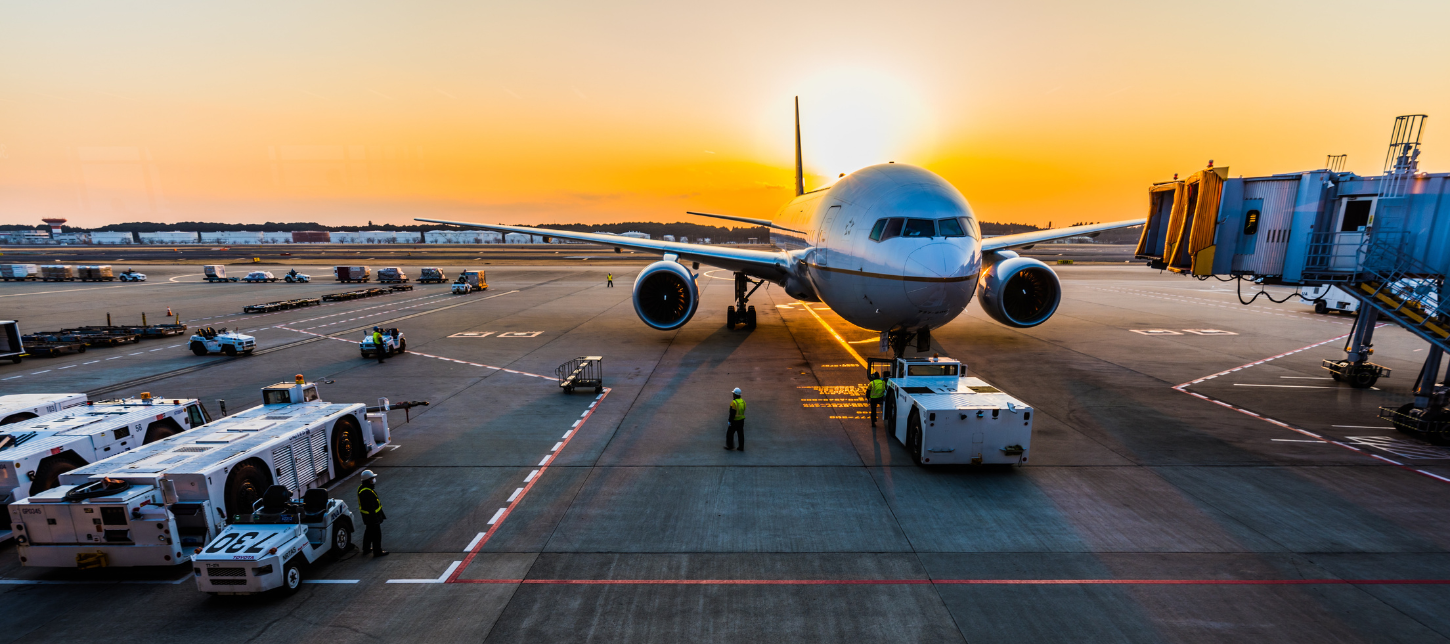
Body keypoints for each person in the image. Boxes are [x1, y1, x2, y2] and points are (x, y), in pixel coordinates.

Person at [357, 470, 387, 556]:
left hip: (366, 516)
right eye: (372, 478)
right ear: (368, 480)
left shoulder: (362, 488)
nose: (374, 480)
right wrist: (375, 519)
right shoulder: (367, 492)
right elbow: (371, 507)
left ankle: (366, 548)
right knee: (376, 535)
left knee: (369, 532)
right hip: (371, 517)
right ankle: (377, 551)